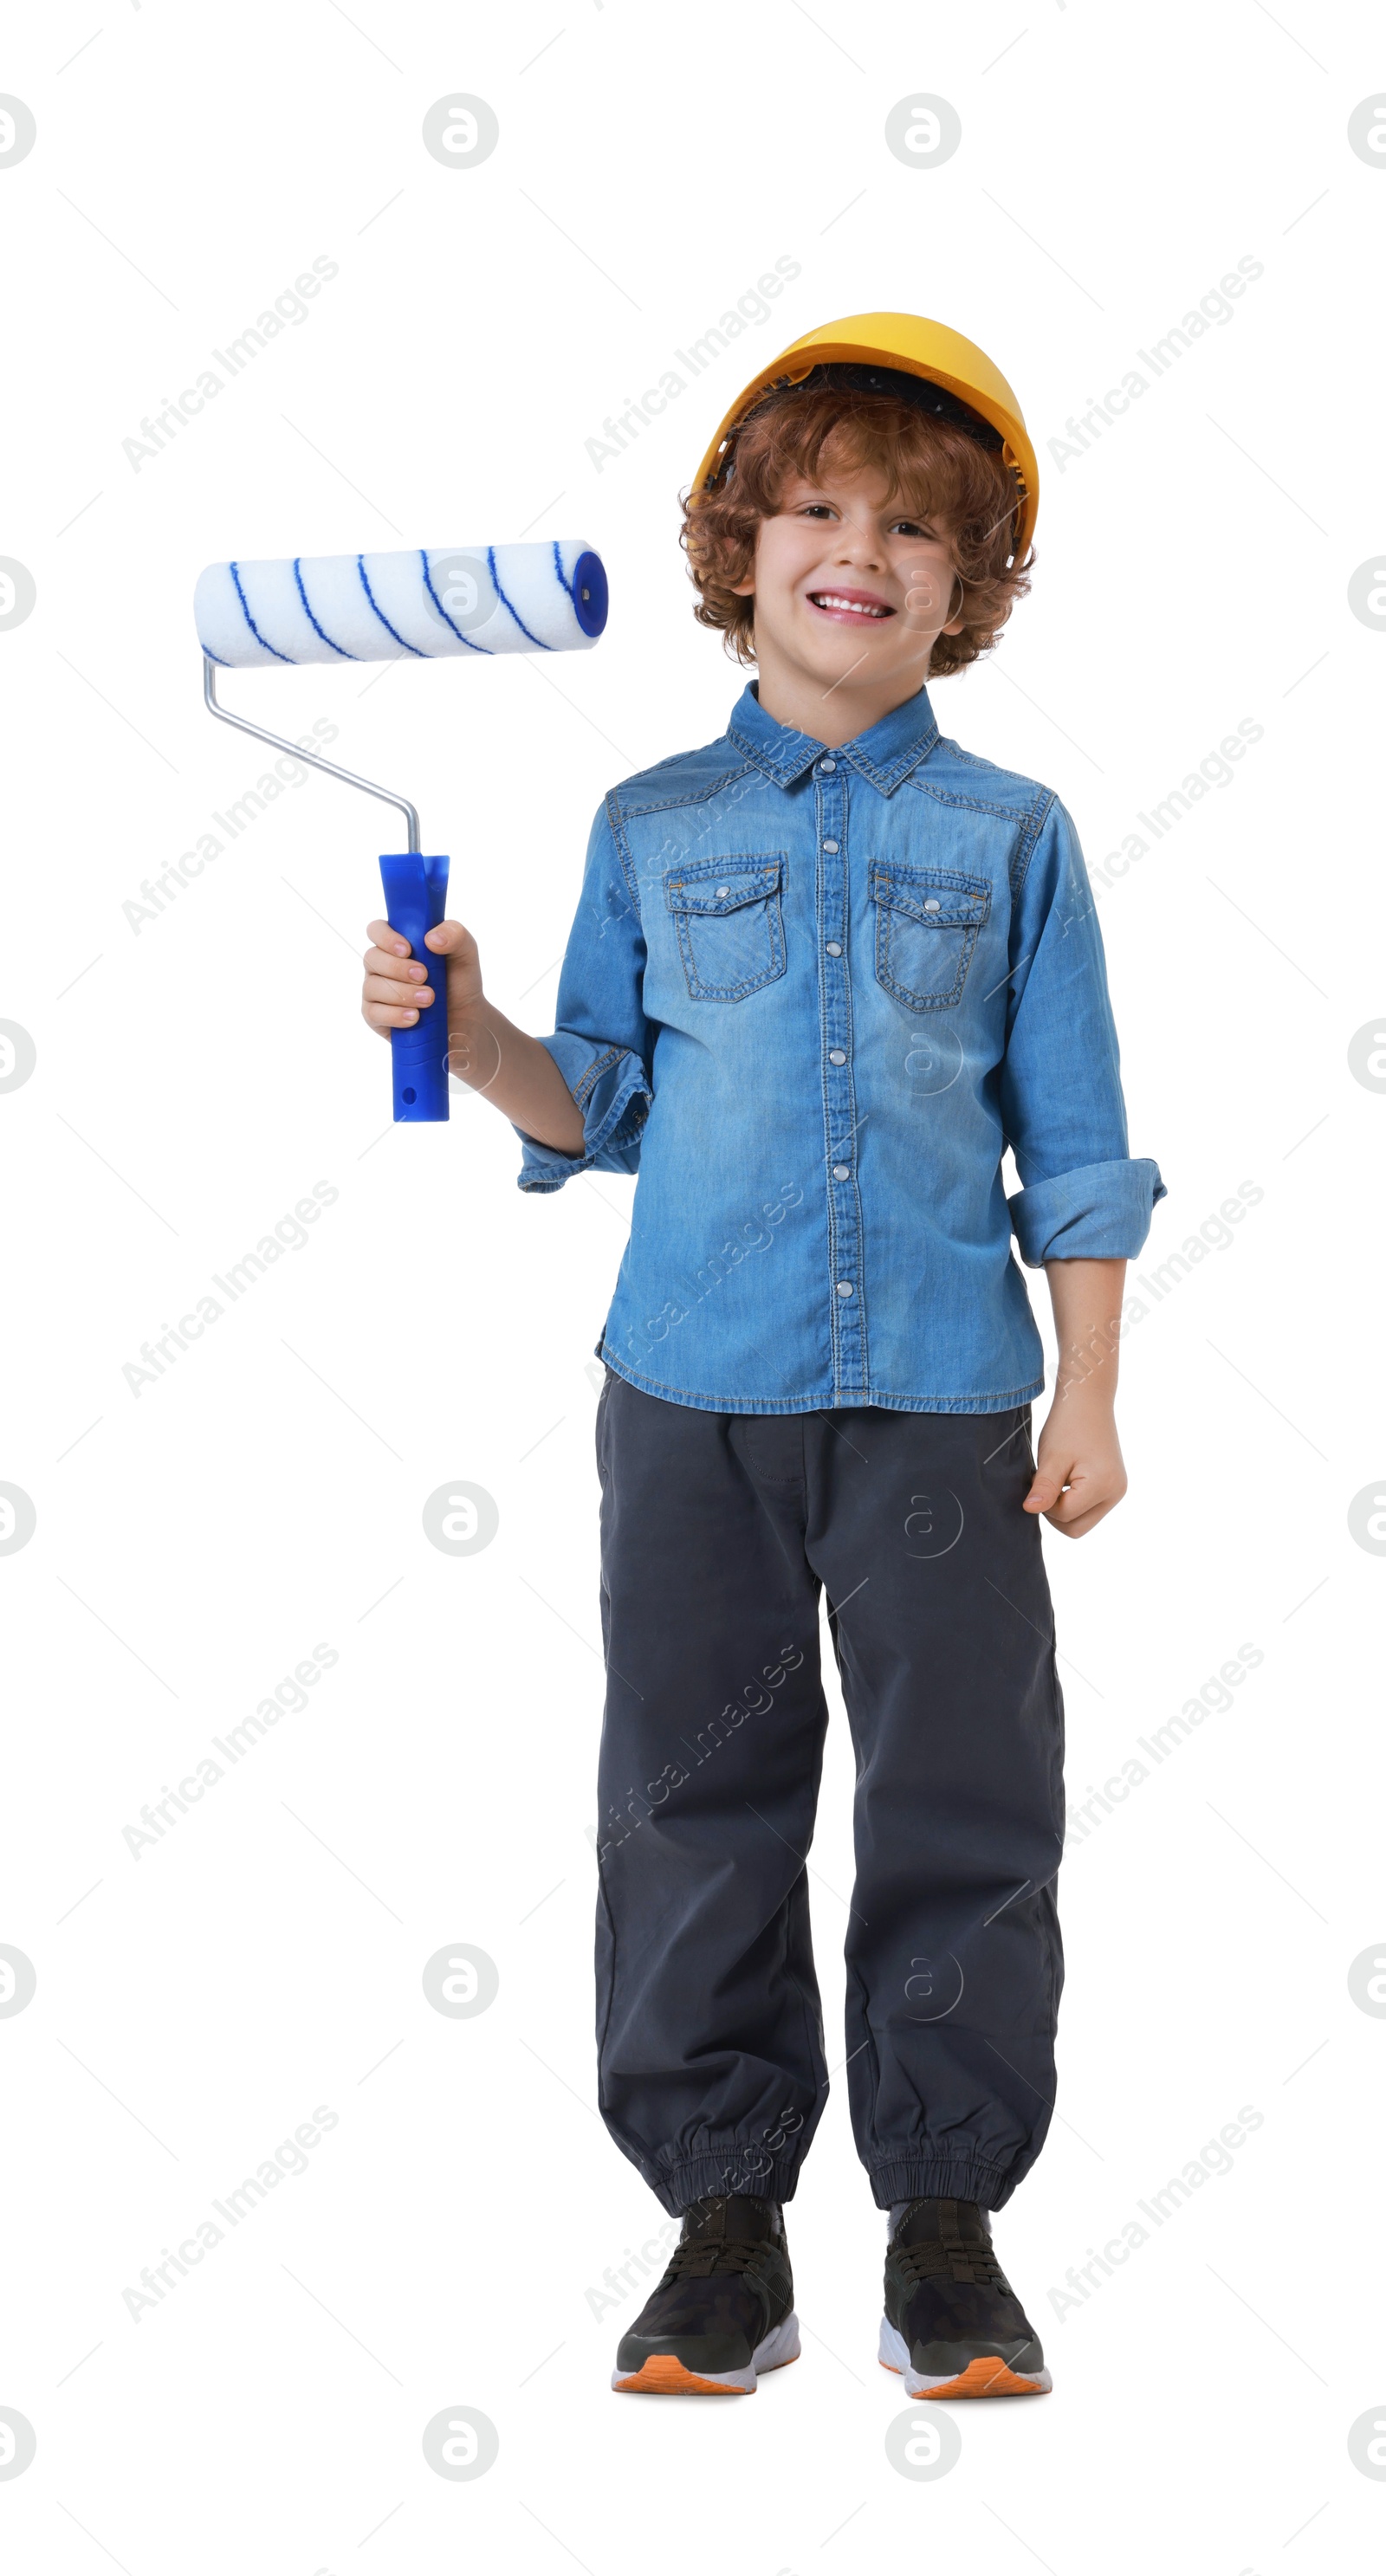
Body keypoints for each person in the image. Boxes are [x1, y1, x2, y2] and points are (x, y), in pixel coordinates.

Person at [360, 314, 1164, 2400]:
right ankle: (724, 2223)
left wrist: (1085, 1389)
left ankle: (945, 2223)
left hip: (939, 1403)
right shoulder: (644, 822)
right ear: (740, 543)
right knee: (692, 1795)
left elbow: (1070, 1149)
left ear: (965, 584)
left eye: (914, 527)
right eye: (814, 505)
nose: (858, 551)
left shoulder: (1012, 836)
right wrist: (459, 1033)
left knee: (962, 1800)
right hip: (690, 1401)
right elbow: (590, 1107)